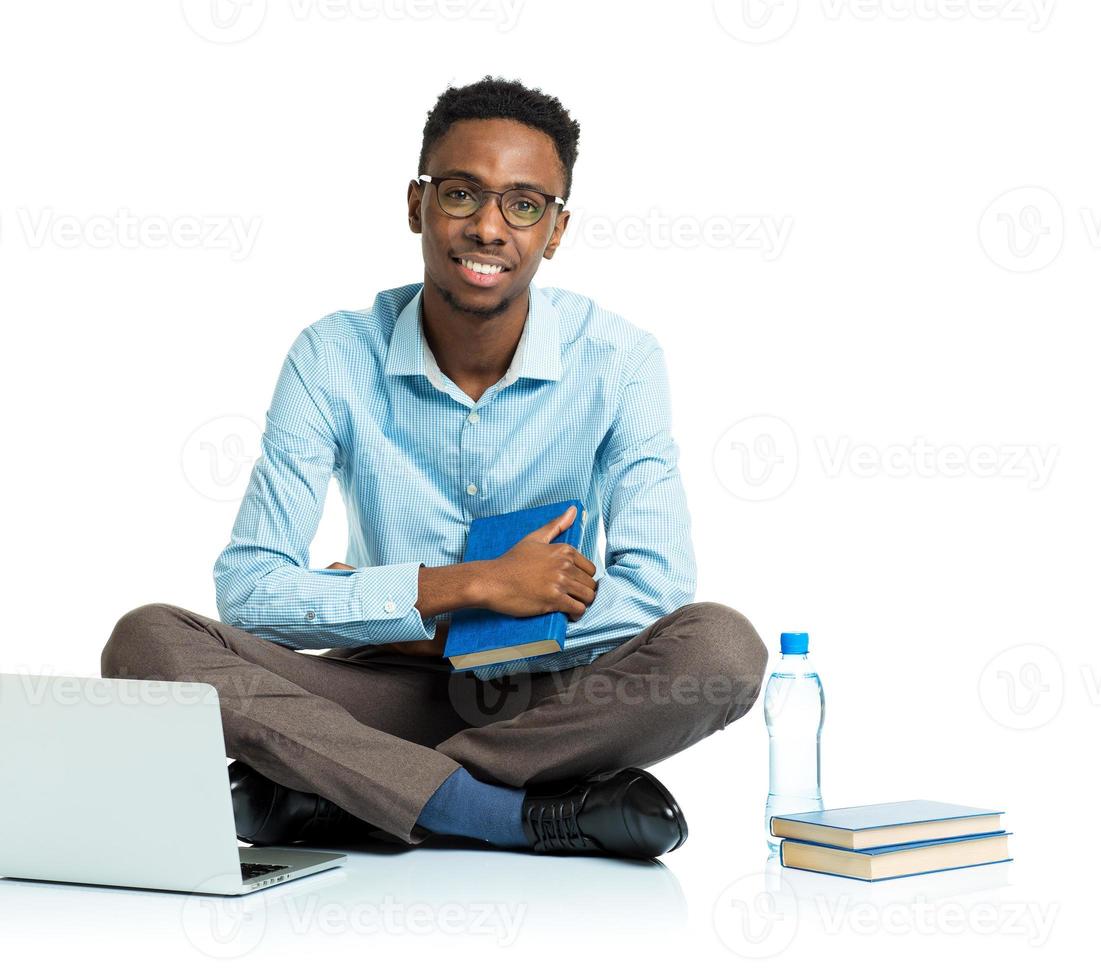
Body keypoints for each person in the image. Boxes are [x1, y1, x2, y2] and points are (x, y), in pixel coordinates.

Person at [102, 75, 767, 859]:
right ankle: (502, 814)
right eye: (461, 194)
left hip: (557, 702)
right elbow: (249, 589)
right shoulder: (332, 355)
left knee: (723, 651)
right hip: (382, 692)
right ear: (416, 205)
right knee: (145, 644)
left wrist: (405, 618)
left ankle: (356, 792)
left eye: (524, 205)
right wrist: (470, 588)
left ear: (554, 231)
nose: (489, 227)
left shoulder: (619, 360)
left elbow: (654, 596)